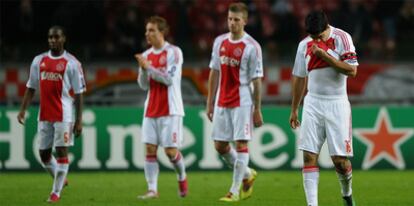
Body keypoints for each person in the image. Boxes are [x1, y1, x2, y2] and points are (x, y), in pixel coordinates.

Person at [289, 10, 358, 206]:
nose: (315, 40)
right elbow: (300, 78)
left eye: (319, 36)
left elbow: (352, 71)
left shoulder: (342, 38)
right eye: (312, 36)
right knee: (309, 156)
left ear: (327, 27)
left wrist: (325, 55)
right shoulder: (304, 45)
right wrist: (294, 108)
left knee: (340, 161)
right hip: (312, 103)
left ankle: (347, 194)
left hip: (337, 103)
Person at [17, 25, 86, 203]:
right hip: (44, 114)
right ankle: (60, 178)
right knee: (44, 155)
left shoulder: (72, 63)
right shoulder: (38, 61)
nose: (53, 41)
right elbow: (31, 87)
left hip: (64, 114)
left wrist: (79, 120)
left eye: (56, 37)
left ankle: (55, 192)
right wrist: (23, 109)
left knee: (62, 151)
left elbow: (79, 93)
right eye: (50, 38)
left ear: (64, 39)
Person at [206, 2, 264, 202]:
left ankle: (234, 190)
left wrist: (257, 108)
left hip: (243, 101)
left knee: (241, 143)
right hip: (222, 101)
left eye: (236, 20)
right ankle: (248, 174)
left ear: (245, 21)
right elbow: (214, 71)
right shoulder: (219, 42)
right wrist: (209, 101)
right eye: (230, 19)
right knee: (220, 146)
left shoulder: (252, 47)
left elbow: (257, 80)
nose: (232, 23)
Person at [135, 16, 187, 199]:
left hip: (171, 109)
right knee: (150, 149)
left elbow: (168, 79)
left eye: (151, 30)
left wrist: (148, 67)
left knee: (170, 151)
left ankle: (182, 176)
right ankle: (152, 189)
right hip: (151, 108)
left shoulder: (174, 52)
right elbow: (143, 85)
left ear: (162, 32)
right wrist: (142, 69)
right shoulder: (147, 55)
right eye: (146, 30)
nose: (147, 34)